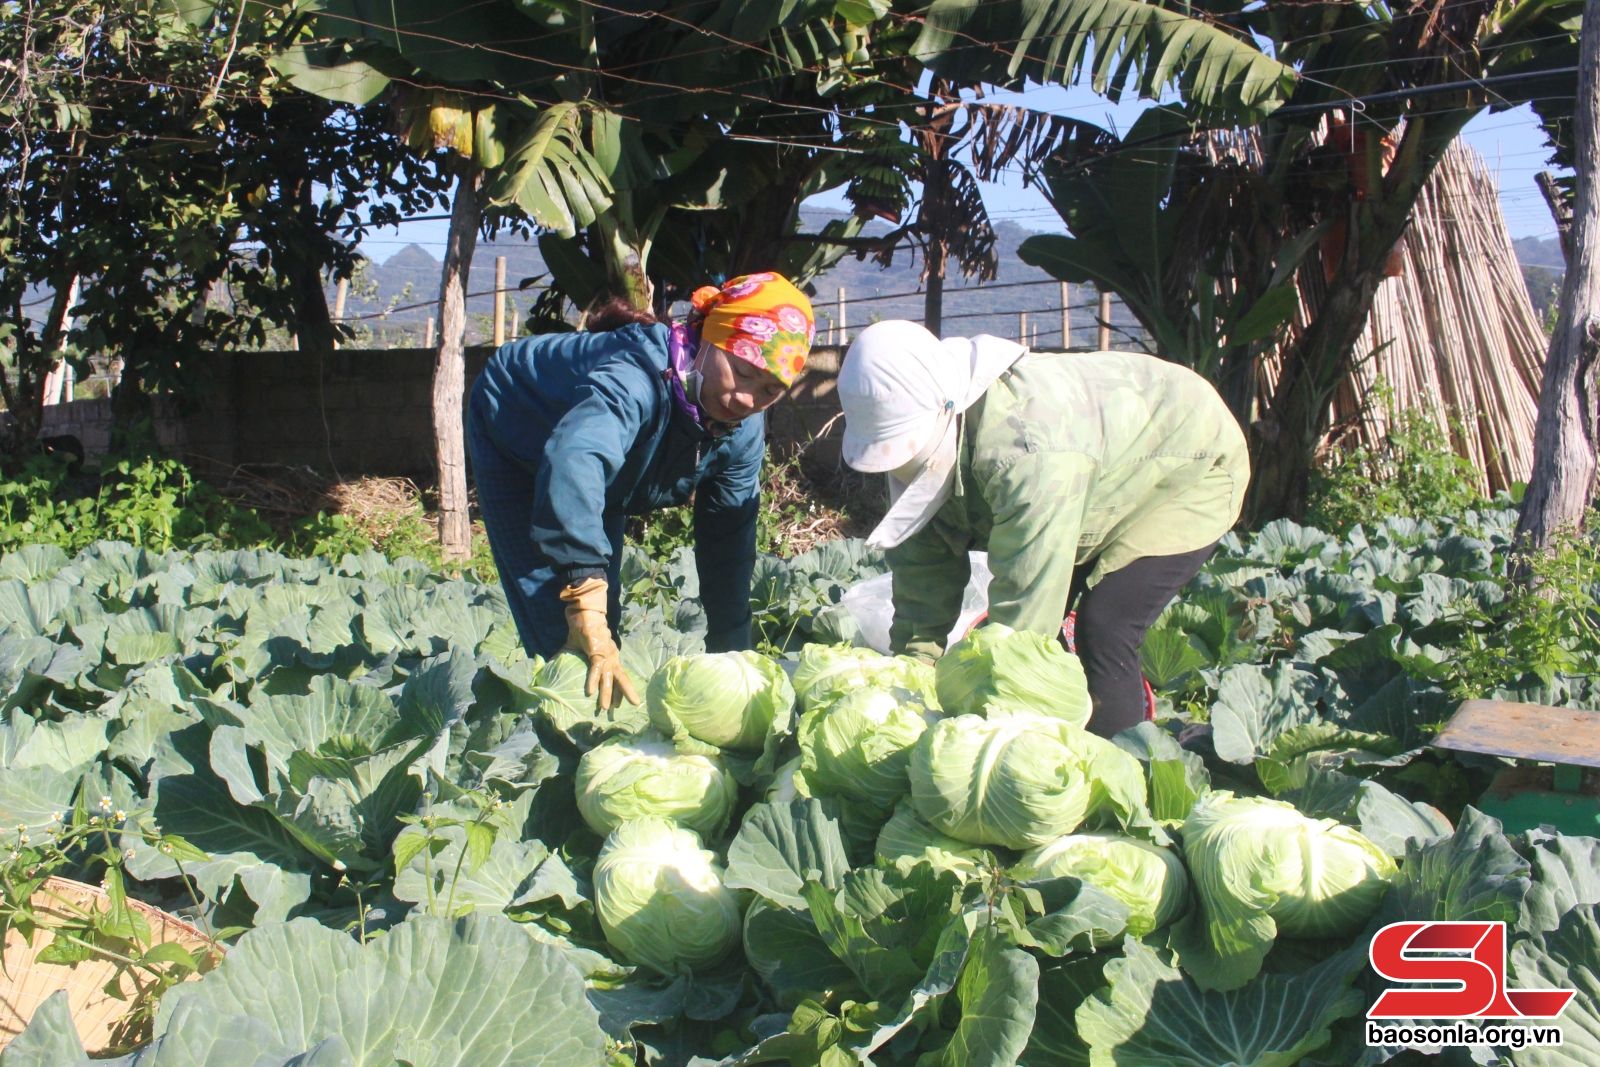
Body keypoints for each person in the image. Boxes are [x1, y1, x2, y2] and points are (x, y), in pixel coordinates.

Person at [836, 319, 1249, 737]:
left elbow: (1021, 621)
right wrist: (915, 666)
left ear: (947, 411)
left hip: (1188, 461)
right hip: (1095, 467)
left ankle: (1126, 761)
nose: (903, 466)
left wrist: (989, 729)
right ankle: (1072, 727)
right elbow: (925, 564)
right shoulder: (921, 439)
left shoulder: (1027, 452)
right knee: (1024, 635)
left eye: (908, 450)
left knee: (1105, 625)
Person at [468, 273, 815, 709]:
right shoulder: (639, 375)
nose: (747, 398)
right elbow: (576, 459)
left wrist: (734, 658)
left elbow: (728, 540)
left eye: (769, 390)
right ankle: (563, 743)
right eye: (743, 370)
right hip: (519, 429)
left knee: (603, 613)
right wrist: (583, 598)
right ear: (710, 337)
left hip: (605, 462)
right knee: (565, 626)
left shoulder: (741, 432)